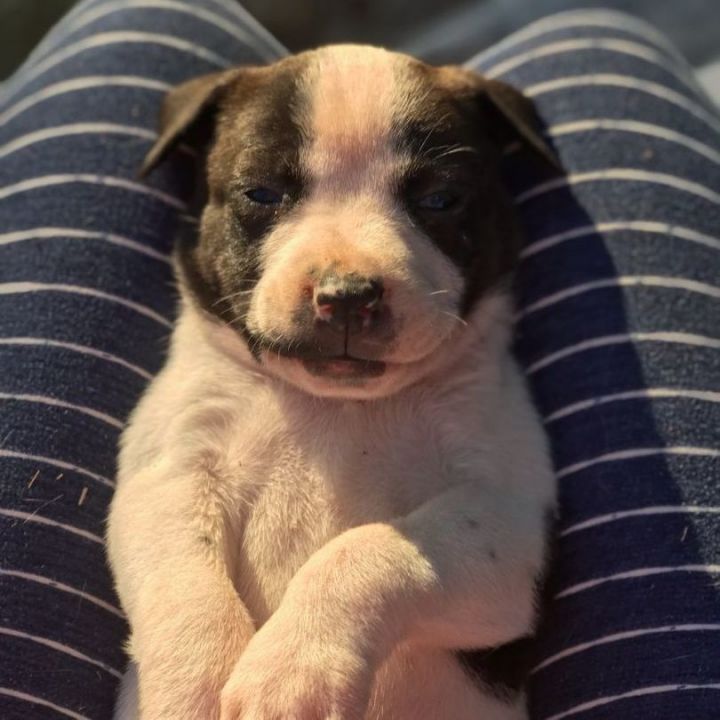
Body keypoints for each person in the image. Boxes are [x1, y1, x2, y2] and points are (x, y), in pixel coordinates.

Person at [0, 1, 718, 718]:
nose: (346, 283)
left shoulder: (471, 374)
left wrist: (354, 594)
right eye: (264, 194)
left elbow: (505, 579)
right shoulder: (211, 365)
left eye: (434, 200)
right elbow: (156, 513)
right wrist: (187, 655)